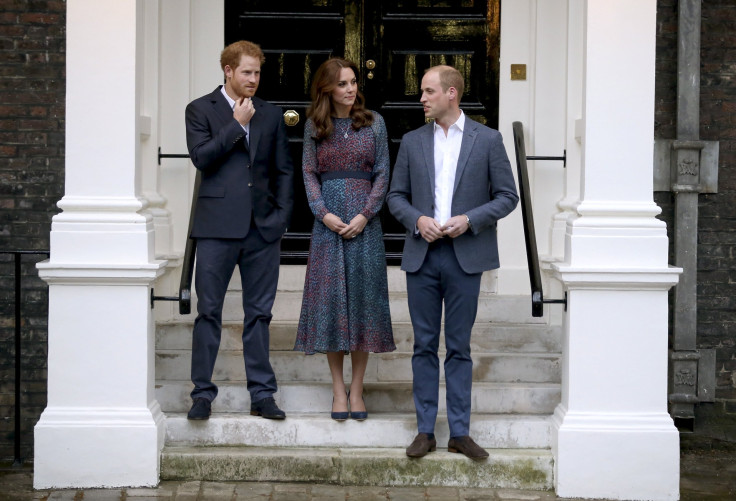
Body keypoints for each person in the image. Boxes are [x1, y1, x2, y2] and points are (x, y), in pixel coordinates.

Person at [387, 65, 518, 459]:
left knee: (458, 347)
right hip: (423, 255)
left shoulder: (488, 140)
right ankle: (425, 431)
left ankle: (460, 432)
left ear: (451, 94)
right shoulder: (412, 141)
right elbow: (396, 197)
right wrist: (417, 220)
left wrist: (470, 220)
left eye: (428, 91)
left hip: (465, 257)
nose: (422, 98)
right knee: (424, 345)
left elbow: (507, 196)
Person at [184, 40, 294, 421]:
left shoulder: (271, 113)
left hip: (262, 230)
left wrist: (280, 219)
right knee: (209, 312)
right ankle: (202, 394)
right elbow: (202, 158)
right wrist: (237, 126)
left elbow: (283, 170)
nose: (253, 79)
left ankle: (262, 394)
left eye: (257, 73)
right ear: (228, 71)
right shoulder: (200, 109)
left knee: (259, 314)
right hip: (215, 228)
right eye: (247, 72)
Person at [294, 58, 395, 421]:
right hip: (328, 227)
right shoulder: (314, 126)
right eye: (342, 84)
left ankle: (358, 387)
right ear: (326, 89)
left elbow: (383, 172)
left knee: (364, 305)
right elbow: (308, 173)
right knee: (332, 306)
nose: (351, 89)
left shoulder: (375, 123)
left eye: (353, 82)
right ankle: (338, 389)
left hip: (365, 227)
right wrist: (324, 214)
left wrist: (365, 215)